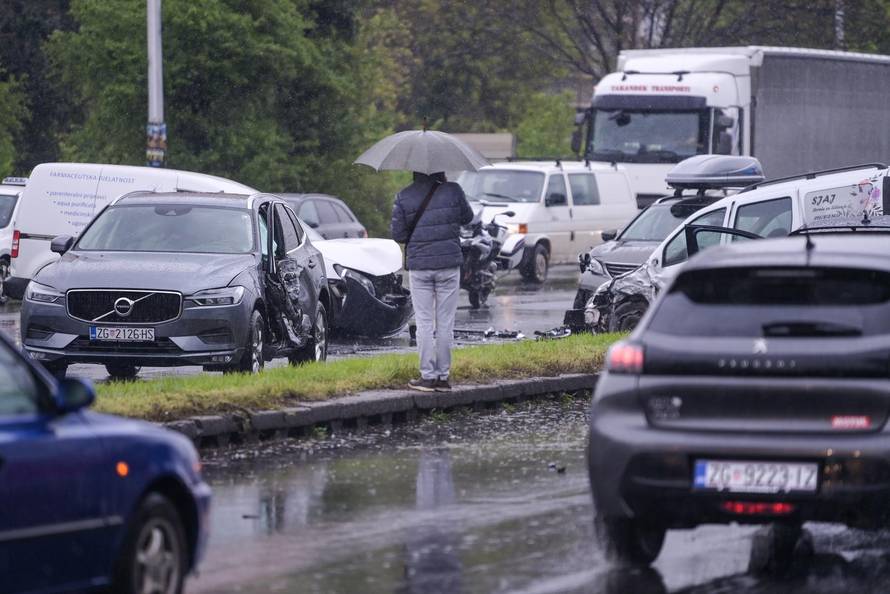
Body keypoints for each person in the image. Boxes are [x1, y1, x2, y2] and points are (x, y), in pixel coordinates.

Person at [391, 171, 474, 392]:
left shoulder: (404, 196)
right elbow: (467, 217)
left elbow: (398, 234)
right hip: (449, 264)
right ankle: (443, 378)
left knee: (424, 322)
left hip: (420, 267)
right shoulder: (453, 190)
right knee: (446, 322)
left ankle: (427, 377)